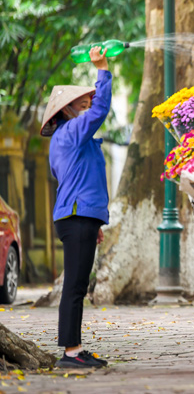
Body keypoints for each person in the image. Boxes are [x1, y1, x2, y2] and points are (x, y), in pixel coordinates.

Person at [40, 46, 112, 368]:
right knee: (74, 286)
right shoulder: (71, 132)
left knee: (77, 285)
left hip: (79, 217)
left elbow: (78, 180)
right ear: (65, 111)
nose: (86, 108)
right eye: (79, 105)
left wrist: (93, 222)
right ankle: (70, 352)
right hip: (77, 216)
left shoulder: (65, 139)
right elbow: (100, 110)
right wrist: (103, 69)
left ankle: (75, 348)